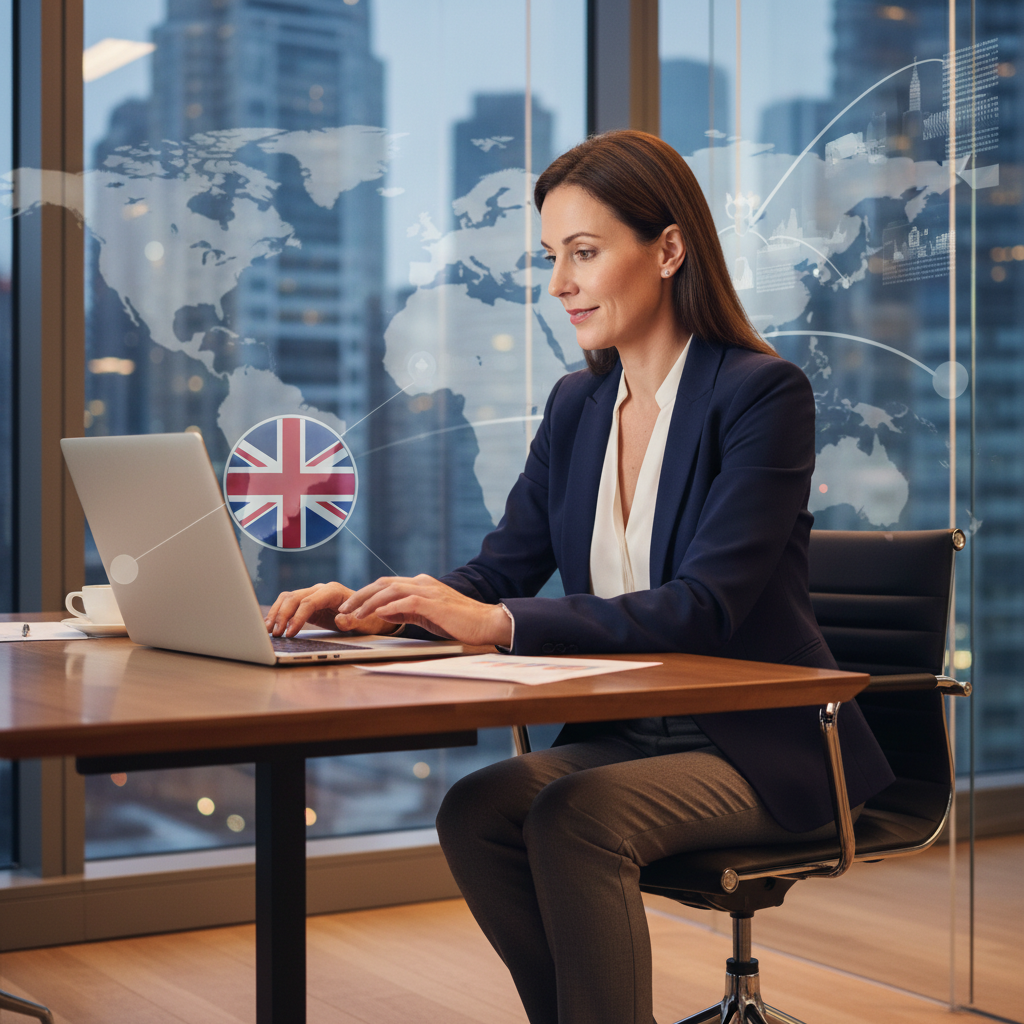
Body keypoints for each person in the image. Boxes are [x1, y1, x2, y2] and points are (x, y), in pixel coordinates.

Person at [266, 130, 894, 1024]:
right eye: (551, 256)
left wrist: (501, 625)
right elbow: (498, 573)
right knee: (477, 808)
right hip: (632, 734)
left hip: (760, 745)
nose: (558, 283)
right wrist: (378, 608)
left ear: (668, 250)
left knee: (574, 817)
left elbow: (705, 608)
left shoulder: (761, 395)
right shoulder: (578, 405)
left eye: (584, 254)